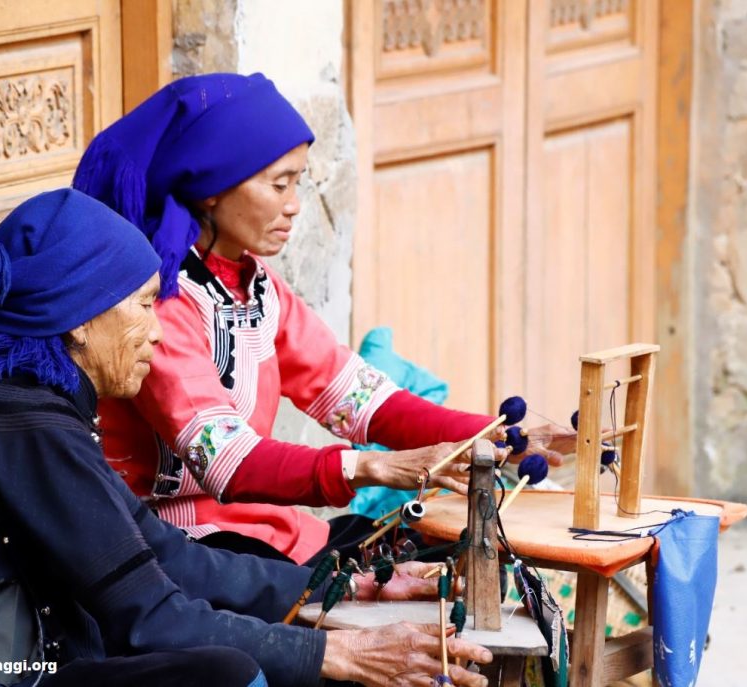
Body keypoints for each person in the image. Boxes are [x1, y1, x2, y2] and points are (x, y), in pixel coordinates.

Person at [0, 188, 494, 687]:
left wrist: (339, 589)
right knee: (222, 674)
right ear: (78, 323)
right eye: (144, 304)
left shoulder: (34, 412)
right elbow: (149, 613)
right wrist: (340, 651)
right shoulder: (20, 425)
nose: (158, 329)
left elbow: (169, 557)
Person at [73, 72, 577, 564]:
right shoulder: (161, 303)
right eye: (279, 185)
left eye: (299, 183)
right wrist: (374, 466)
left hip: (258, 526)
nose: (294, 207)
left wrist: (496, 436)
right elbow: (228, 461)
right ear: (212, 188)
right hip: (173, 543)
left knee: (448, 553)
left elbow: (363, 402)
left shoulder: (255, 285)